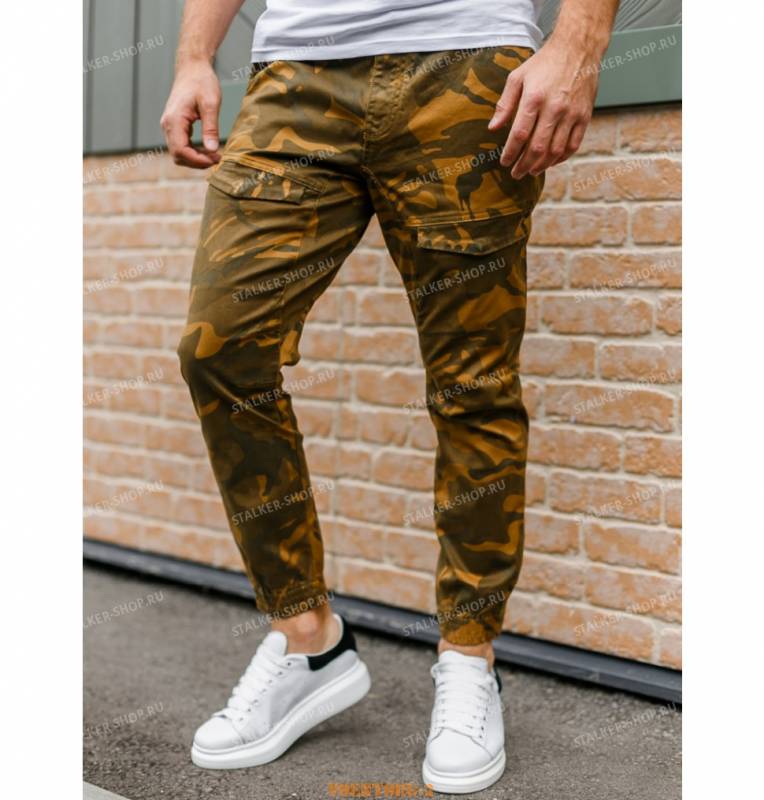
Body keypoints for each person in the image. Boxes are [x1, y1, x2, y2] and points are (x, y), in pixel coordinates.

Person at [161, 0, 617, 792]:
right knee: (220, 348)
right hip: (296, 72)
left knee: (473, 384)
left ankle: (470, 657)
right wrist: (194, 56)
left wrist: (580, 41)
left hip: (467, 59)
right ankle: (309, 640)